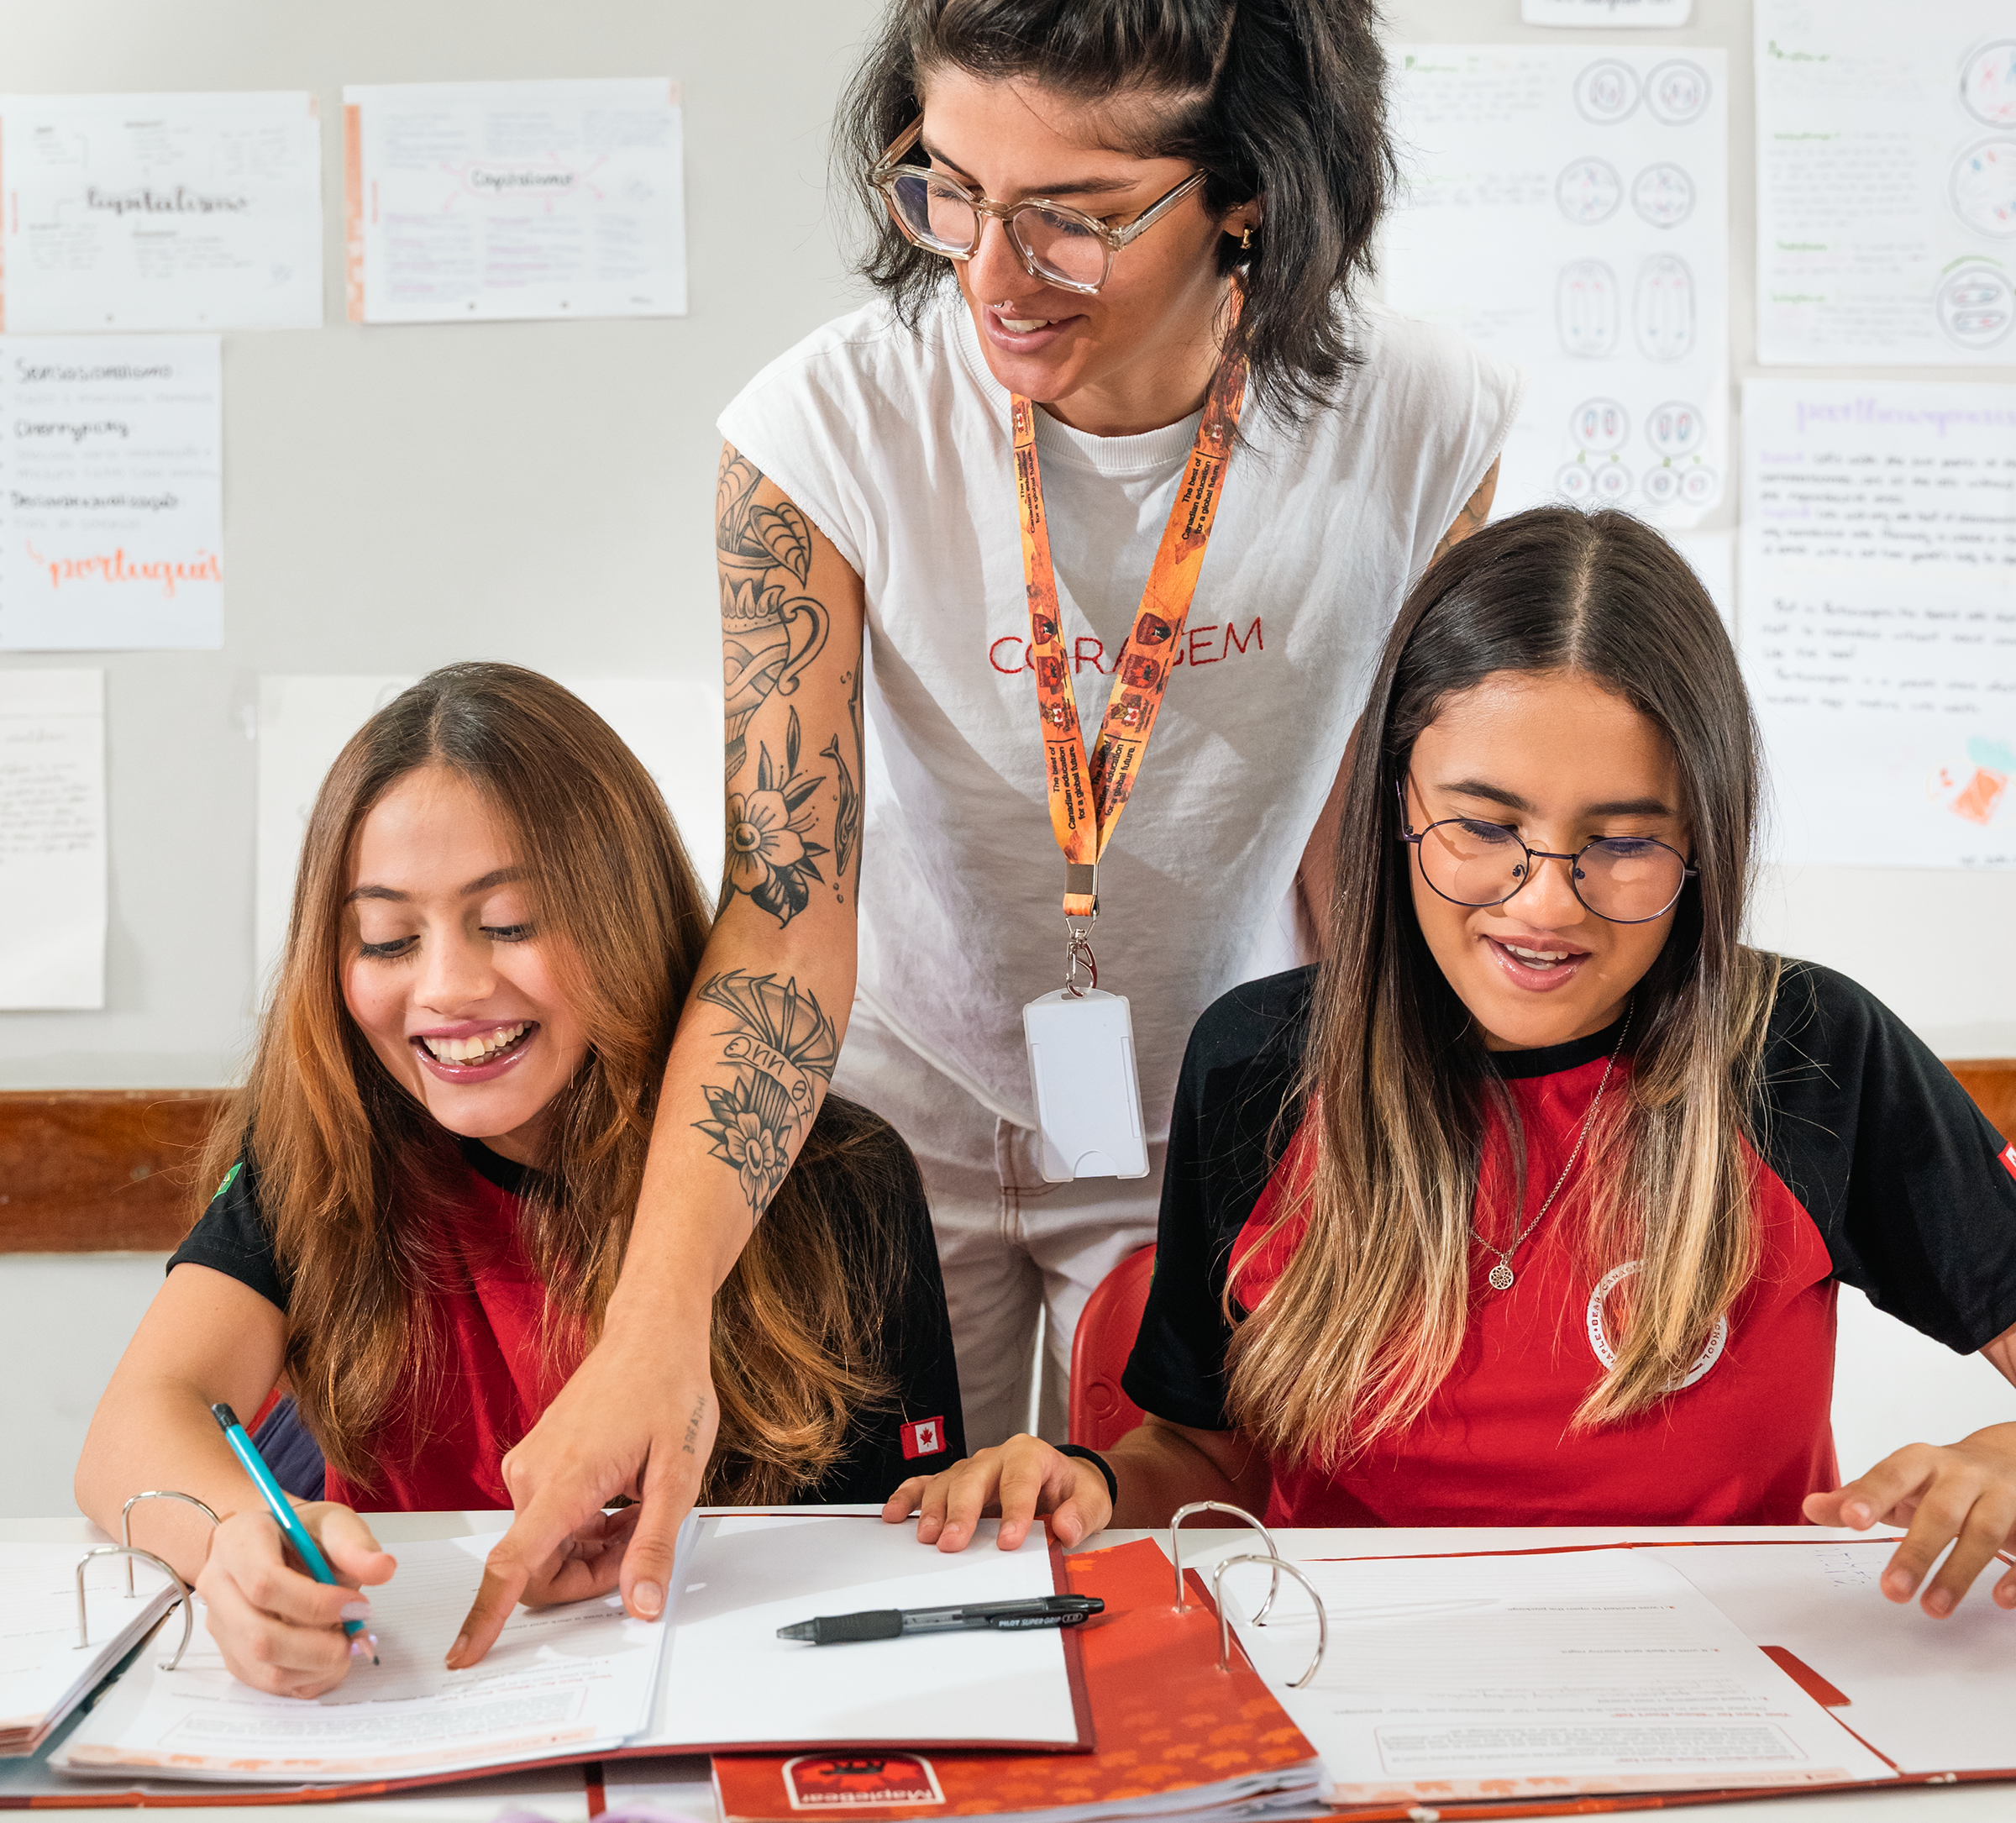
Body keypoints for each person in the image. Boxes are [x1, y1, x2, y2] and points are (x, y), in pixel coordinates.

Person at [455, 0, 1522, 1661]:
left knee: (1169, 1618)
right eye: (949, 188)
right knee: (859, 1612)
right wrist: (652, 1328)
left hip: (1208, 1116)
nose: (993, 276)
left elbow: (1369, 862)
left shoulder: (1422, 426)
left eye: (1074, 216)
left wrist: (1413, 1165)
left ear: (1251, 194)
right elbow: (785, 904)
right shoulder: (822, 432)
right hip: (887, 1117)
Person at [893, 507, 2016, 1621]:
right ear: (1396, 802)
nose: (1546, 903)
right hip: (1351, 1682)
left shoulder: (1808, 1051)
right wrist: (1089, 1481)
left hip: (1725, 1691)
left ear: (1705, 838)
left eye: (1625, 840)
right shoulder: (1257, 1065)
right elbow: (1203, 1457)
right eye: (1482, 827)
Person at [74, 665, 961, 1698]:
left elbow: (908, 1537)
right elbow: (129, 1429)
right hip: (406, 1699)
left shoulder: (839, 1176)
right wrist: (233, 1535)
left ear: (623, 915)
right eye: (387, 939)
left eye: (509, 923)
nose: (448, 987)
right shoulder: (321, 1155)